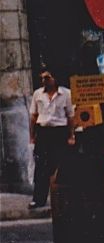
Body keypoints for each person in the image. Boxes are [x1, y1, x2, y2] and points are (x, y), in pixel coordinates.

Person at [29, 69, 75, 209]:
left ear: (55, 78)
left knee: (61, 166)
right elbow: (33, 116)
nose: (44, 81)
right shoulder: (38, 94)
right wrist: (32, 136)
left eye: (47, 78)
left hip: (59, 132)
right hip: (43, 132)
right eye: (42, 78)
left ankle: (64, 199)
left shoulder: (65, 94)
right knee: (41, 166)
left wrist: (71, 135)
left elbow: (70, 116)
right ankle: (39, 199)